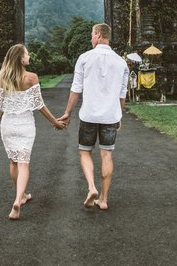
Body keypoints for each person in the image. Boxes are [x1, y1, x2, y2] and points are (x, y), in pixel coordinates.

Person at [0, 44, 65, 220]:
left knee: (14, 162)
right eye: (27, 54)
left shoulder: (2, 78)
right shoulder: (32, 78)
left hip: (8, 126)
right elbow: (40, 105)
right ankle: (18, 198)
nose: (29, 56)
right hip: (25, 125)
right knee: (24, 163)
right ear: (21, 59)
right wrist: (55, 122)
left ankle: (21, 196)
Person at [58, 23, 129, 211]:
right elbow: (122, 95)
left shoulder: (84, 58)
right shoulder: (121, 62)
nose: (91, 38)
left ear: (98, 35)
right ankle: (104, 200)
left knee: (84, 152)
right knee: (106, 155)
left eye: (92, 35)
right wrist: (118, 116)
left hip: (89, 115)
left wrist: (67, 112)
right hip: (110, 117)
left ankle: (91, 187)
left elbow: (76, 89)